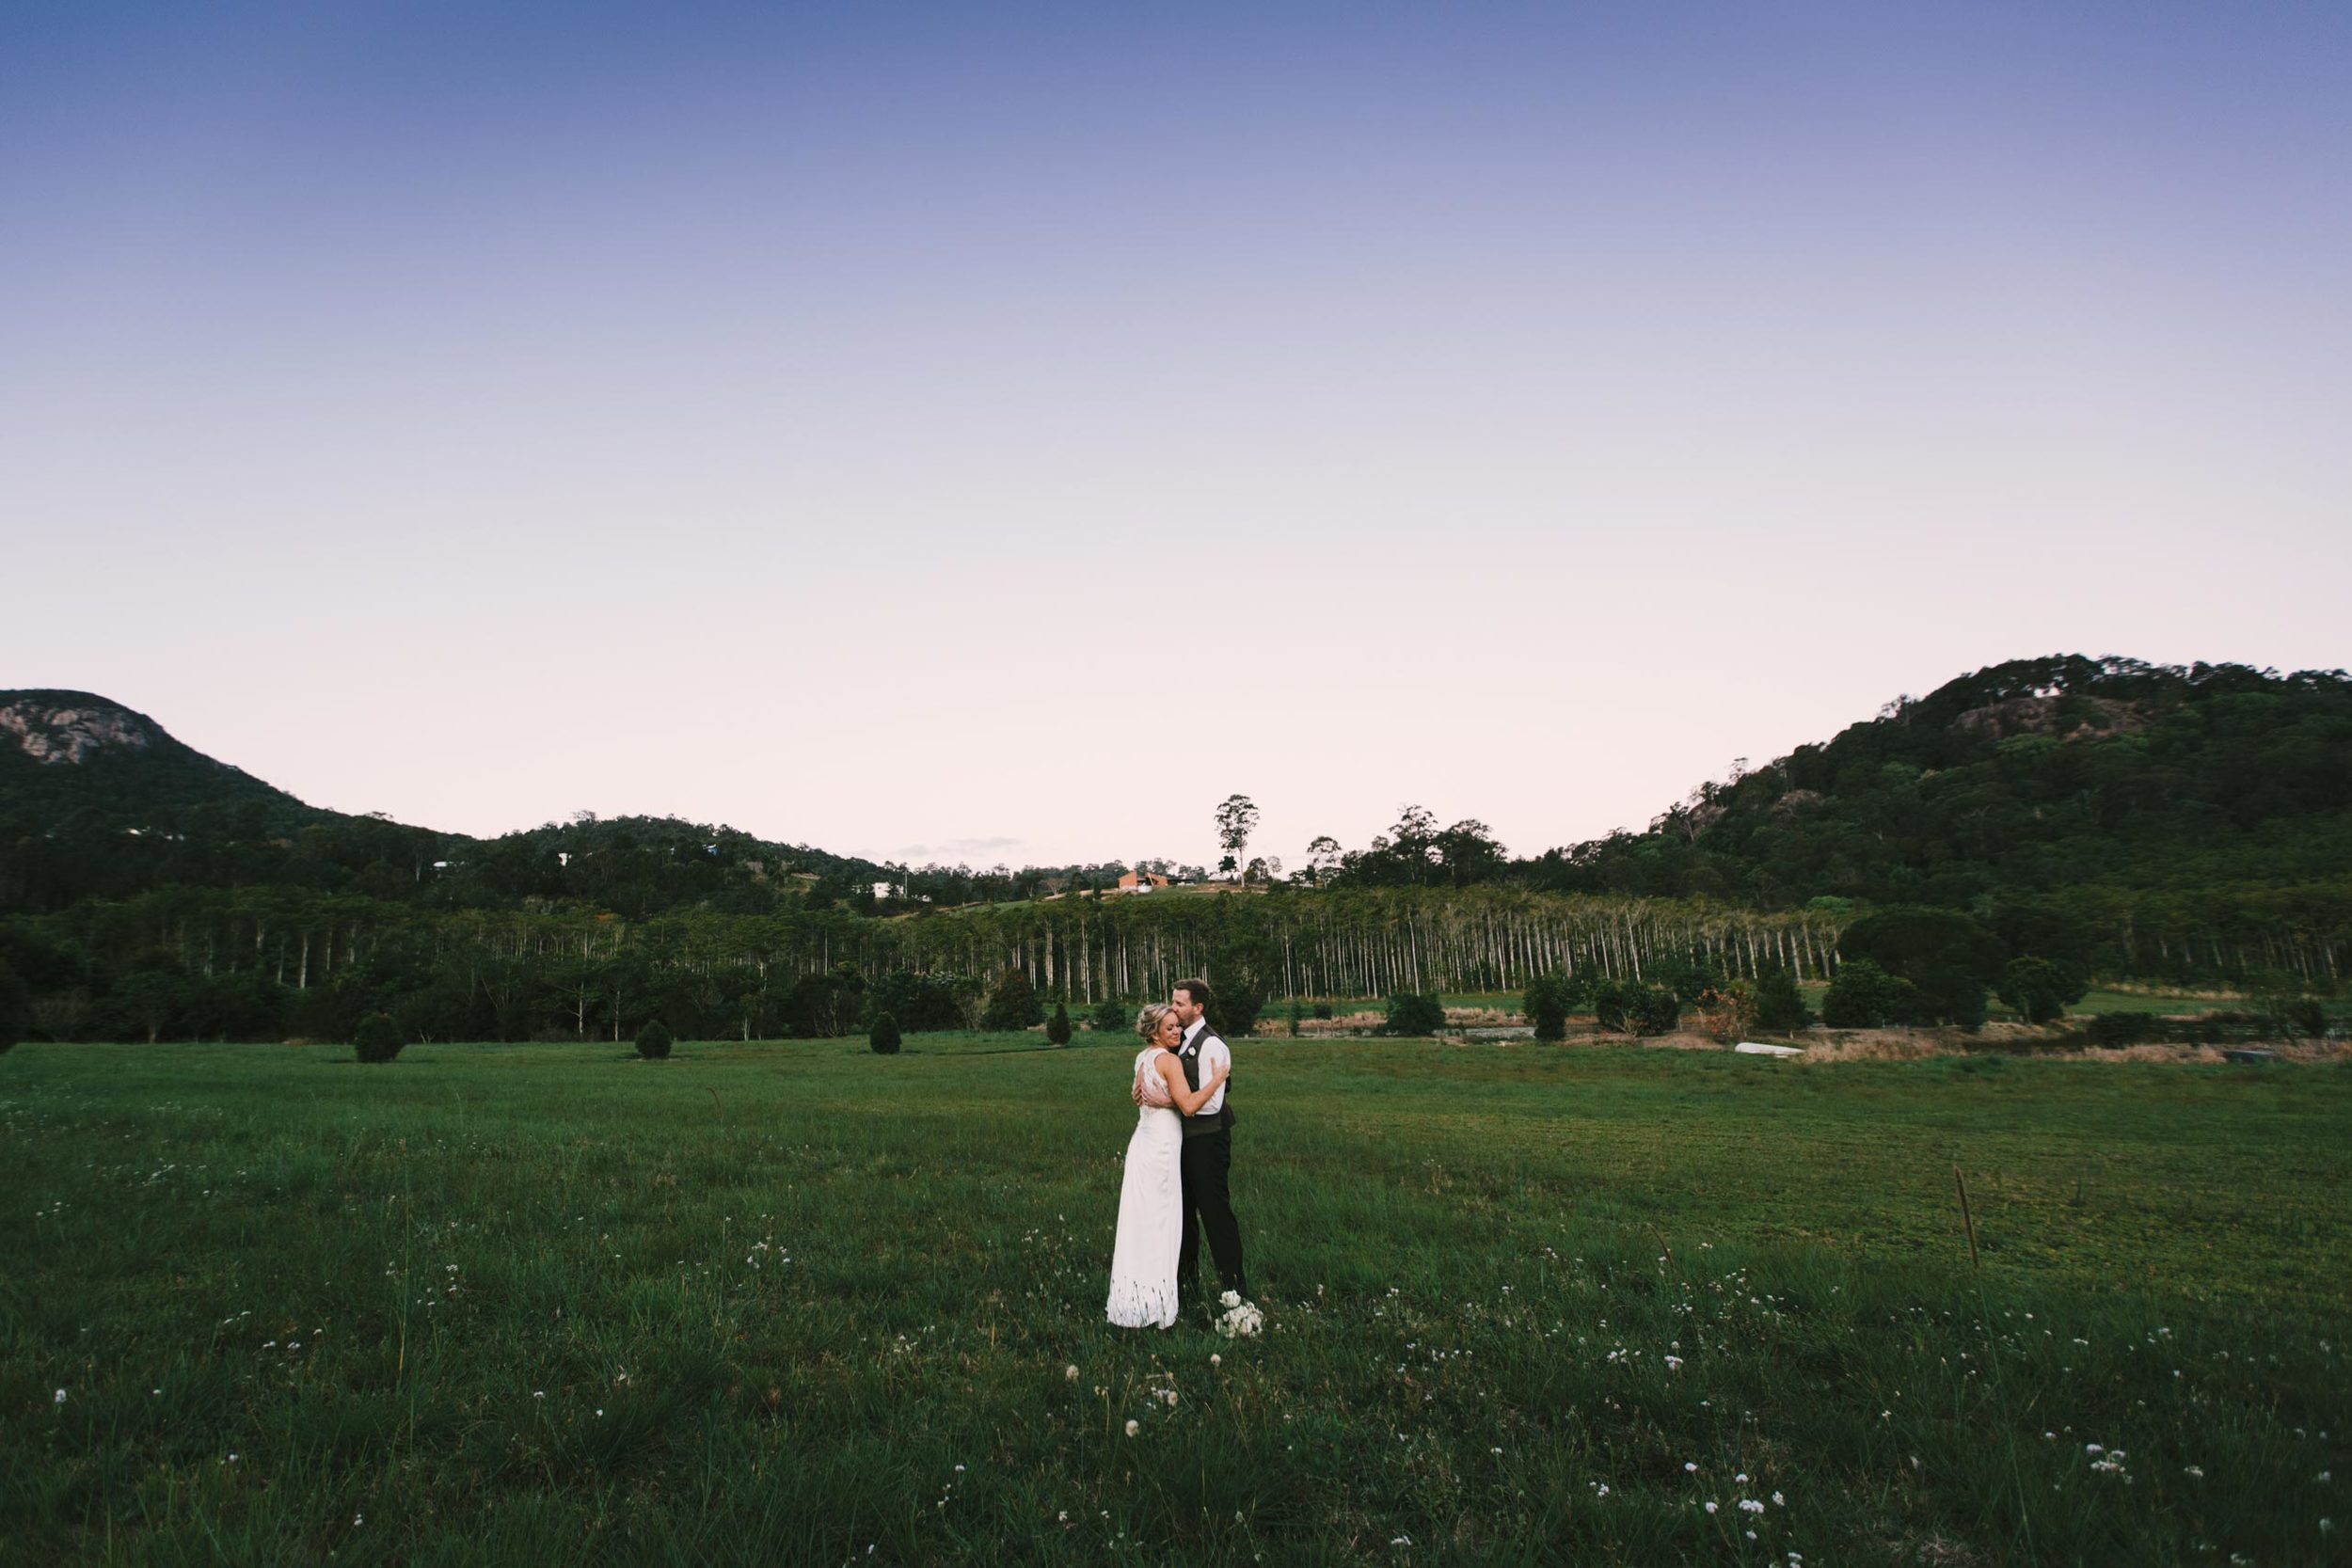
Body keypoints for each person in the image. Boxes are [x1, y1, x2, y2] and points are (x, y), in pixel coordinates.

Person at [1106, 1003, 1230, 1328]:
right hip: (1161, 1147)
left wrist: (1160, 1099)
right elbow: (1189, 1106)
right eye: (1169, 1028)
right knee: (1162, 1224)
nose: (1176, 1031)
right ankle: (1156, 1305)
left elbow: (1141, 1094)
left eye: (1178, 1026)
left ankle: (1130, 1301)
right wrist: (1217, 1079)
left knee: (1140, 1224)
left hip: (1142, 1143)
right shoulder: (1170, 1061)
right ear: (1154, 1031)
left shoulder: (1142, 1057)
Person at [1169, 977, 1250, 1320]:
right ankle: (1185, 1289)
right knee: (1183, 1217)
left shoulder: (1212, 1045)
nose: (1173, 1008)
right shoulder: (1176, 1039)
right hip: (1180, 1142)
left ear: (1198, 1008)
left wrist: (1174, 1101)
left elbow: (1210, 1104)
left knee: (1215, 1215)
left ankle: (1234, 1292)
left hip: (1208, 1140)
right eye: (1172, 1002)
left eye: (1179, 1004)